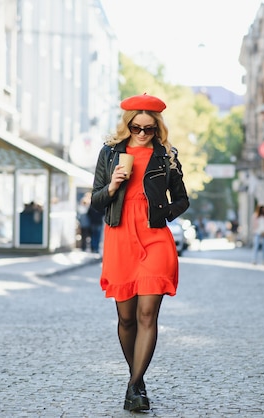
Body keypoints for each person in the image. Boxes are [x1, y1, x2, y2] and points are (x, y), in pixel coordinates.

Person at [90, 93, 189, 412]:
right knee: (126, 317)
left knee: (148, 314)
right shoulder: (109, 153)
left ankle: (134, 385)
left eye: (148, 128)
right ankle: (139, 380)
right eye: (136, 128)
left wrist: (162, 214)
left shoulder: (166, 156)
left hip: (154, 238)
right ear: (128, 125)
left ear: (157, 127)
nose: (142, 134)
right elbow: (95, 200)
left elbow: (183, 199)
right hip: (120, 236)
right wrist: (114, 186)